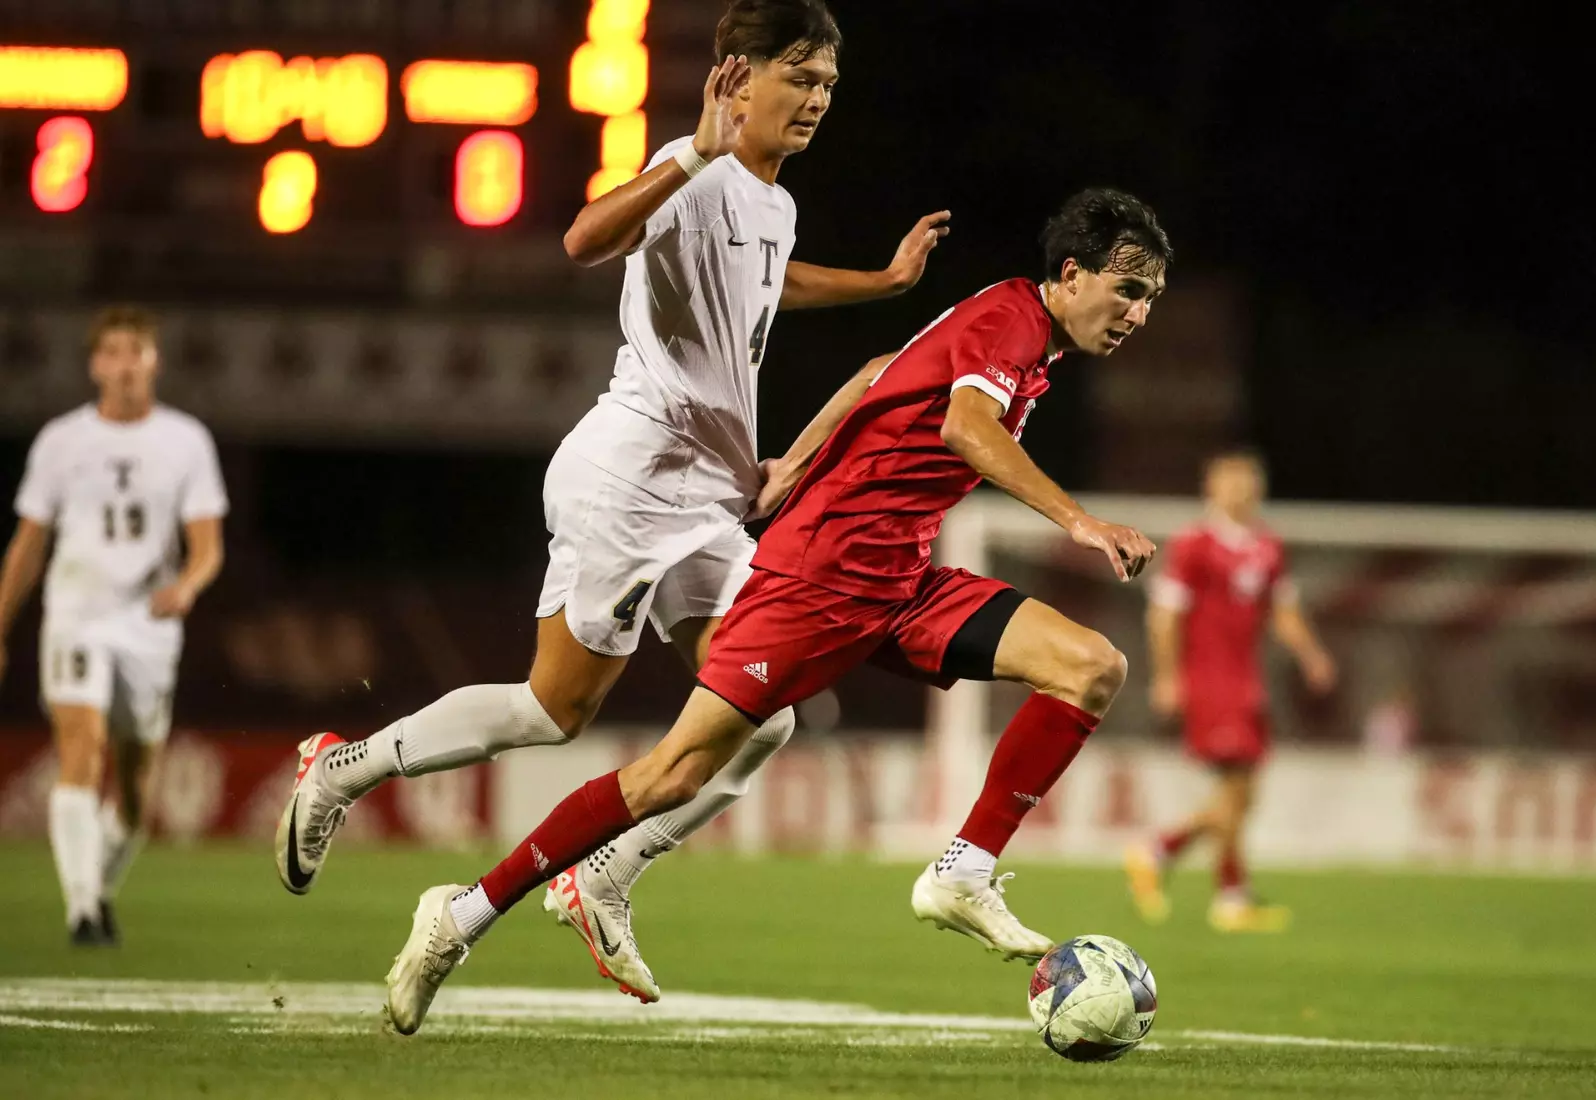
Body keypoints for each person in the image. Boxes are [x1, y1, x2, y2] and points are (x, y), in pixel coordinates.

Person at [277, 0, 951, 1003]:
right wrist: (692, 153)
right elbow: (584, 237)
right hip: (627, 479)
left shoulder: (774, 200)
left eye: (827, 85)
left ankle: (607, 872)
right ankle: (343, 766)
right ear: (738, 73)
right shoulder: (694, 163)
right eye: (799, 77)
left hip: (706, 498)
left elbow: (768, 284)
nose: (815, 100)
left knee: (764, 714)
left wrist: (882, 281)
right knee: (554, 711)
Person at [381, 186, 1173, 1035]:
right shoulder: (1011, 322)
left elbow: (881, 372)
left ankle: (962, 871)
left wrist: (795, 460)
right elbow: (967, 430)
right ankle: (460, 916)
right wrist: (1080, 523)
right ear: (1071, 273)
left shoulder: (1021, 333)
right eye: (1127, 289)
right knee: (671, 776)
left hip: (899, 580)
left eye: (1151, 299)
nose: (1137, 312)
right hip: (819, 579)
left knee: (1090, 666)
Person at [0, 305, 227, 945]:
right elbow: (28, 543)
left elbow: (207, 545)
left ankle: (95, 890)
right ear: (96, 364)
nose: (127, 365)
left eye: (138, 351)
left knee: (132, 799)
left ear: (154, 362)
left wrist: (187, 586)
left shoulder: (186, 441)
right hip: (78, 613)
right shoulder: (60, 441)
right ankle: (80, 910)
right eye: (115, 352)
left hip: (150, 626)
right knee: (82, 743)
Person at [1125, 450, 1337, 932]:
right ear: (1211, 488)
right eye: (1230, 482)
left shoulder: (1267, 547)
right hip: (1209, 680)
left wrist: (1311, 655)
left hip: (1247, 682)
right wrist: (1167, 677)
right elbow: (1164, 614)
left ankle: (1208, 881)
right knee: (1235, 794)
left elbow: (1282, 610)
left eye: (1247, 482)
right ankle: (1185, 868)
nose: (1240, 490)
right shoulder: (1194, 544)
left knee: (1242, 795)